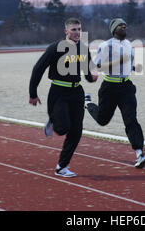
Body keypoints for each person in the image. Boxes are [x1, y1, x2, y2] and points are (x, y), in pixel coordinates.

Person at [29, 18, 97, 178]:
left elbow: (87, 73)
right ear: (66, 31)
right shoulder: (55, 48)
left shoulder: (84, 49)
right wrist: (33, 93)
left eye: (79, 29)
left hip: (77, 93)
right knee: (63, 128)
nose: (77, 33)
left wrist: (92, 77)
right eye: (73, 29)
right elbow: (38, 69)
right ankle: (53, 121)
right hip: (58, 92)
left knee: (76, 132)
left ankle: (61, 167)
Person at [84, 18, 145, 169]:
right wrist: (117, 62)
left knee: (131, 120)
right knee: (103, 120)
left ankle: (140, 154)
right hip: (109, 87)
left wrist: (134, 67)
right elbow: (96, 66)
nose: (124, 26)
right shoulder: (105, 46)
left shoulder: (128, 44)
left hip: (126, 87)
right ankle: (87, 103)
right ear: (114, 29)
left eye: (125, 24)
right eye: (120, 25)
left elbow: (128, 63)